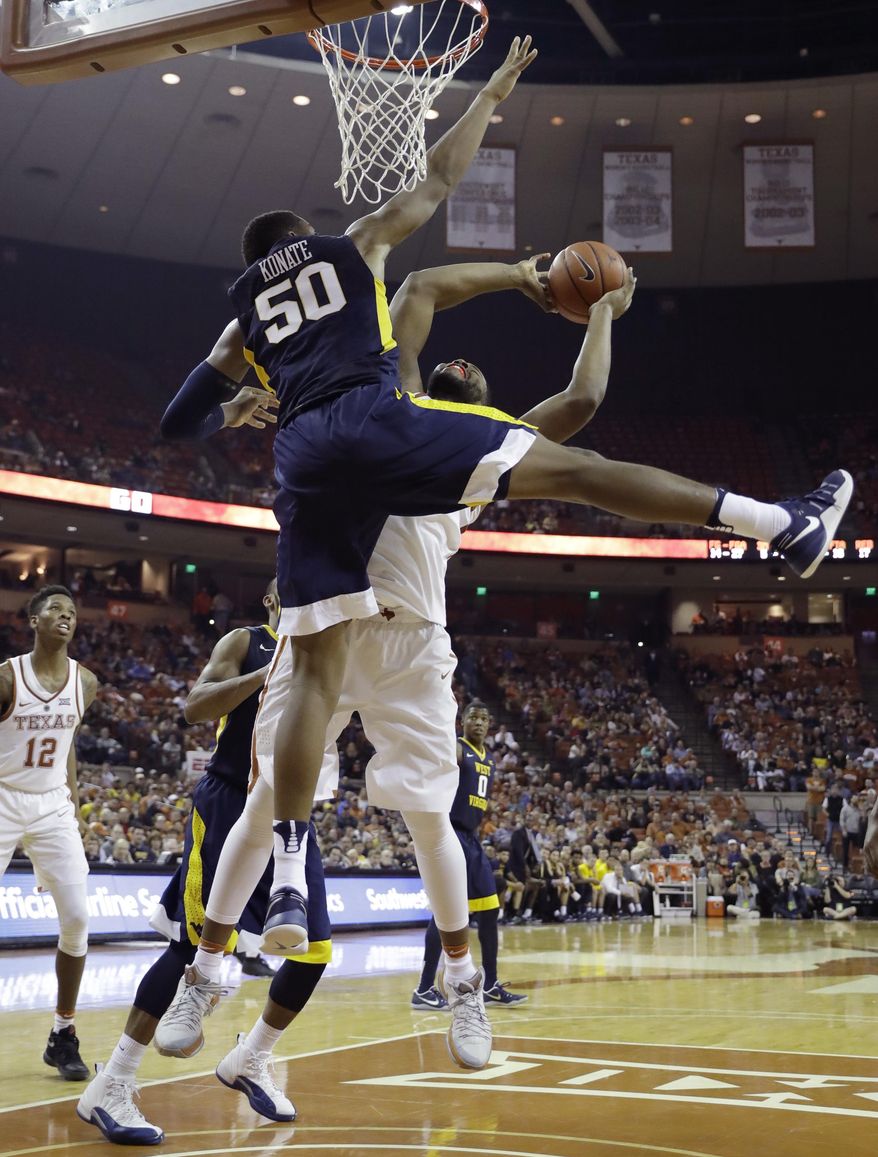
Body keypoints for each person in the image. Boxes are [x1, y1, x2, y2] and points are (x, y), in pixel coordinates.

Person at [160, 31, 852, 965]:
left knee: (313, 690)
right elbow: (436, 206)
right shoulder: (354, 263)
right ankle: (777, 522)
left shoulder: (251, 320)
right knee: (575, 472)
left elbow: (178, 419)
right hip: (376, 440)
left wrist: (250, 398)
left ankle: (292, 891)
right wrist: (492, 104)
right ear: (304, 241)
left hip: (309, 463)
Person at [152, 253, 634, 1074]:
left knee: (428, 821)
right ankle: (203, 972)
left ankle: (464, 984)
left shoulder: (487, 451)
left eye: (471, 378)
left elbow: (583, 401)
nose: (461, 370)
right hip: (326, 625)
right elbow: (413, 296)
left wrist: (600, 312)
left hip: (412, 639)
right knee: (269, 798)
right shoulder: (381, 404)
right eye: (451, 368)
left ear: (478, 407)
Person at [75, 579, 334, 1144]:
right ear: (268, 599)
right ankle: (112, 1083)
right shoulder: (246, 641)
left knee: (312, 952)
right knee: (190, 947)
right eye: (286, 587)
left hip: (290, 807)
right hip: (228, 802)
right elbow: (195, 707)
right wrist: (270, 676)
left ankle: (251, 1057)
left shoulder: (327, 646)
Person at [0, 585, 98, 1079]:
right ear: (34, 620)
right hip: (2, 794)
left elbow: (69, 743)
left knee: (78, 918)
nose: (66, 616)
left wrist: (74, 801)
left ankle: (63, 1033)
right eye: (55, 609)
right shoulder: (6, 678)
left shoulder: (87, 683)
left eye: (72, 612)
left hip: (52, 805)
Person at [412, 702, 528, 1012]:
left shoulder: (488, 757)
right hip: (449, 833)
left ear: (490, 724)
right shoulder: (457, 747)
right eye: (472, 717)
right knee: (445, 912)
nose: (478, 722)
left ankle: (490, 985)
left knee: (490, 910)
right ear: (462, 722)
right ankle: (423, 988)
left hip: (471, 840)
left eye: (483, 718)